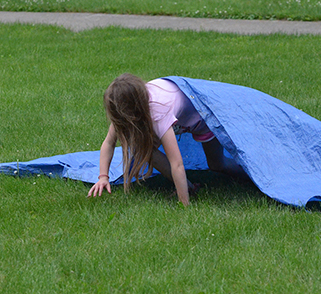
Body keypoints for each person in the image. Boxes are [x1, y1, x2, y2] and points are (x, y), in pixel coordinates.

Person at [87, 73, 246, 206]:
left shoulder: (158, 112)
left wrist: (184, 204)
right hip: (176, 117)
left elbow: (177, 163)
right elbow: (109, 142)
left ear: (131, 110)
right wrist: (103, 177)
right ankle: (189, 187)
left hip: (202, 119)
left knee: (217, 164)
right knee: (143, 148)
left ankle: (249, 174)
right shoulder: (131, 104)